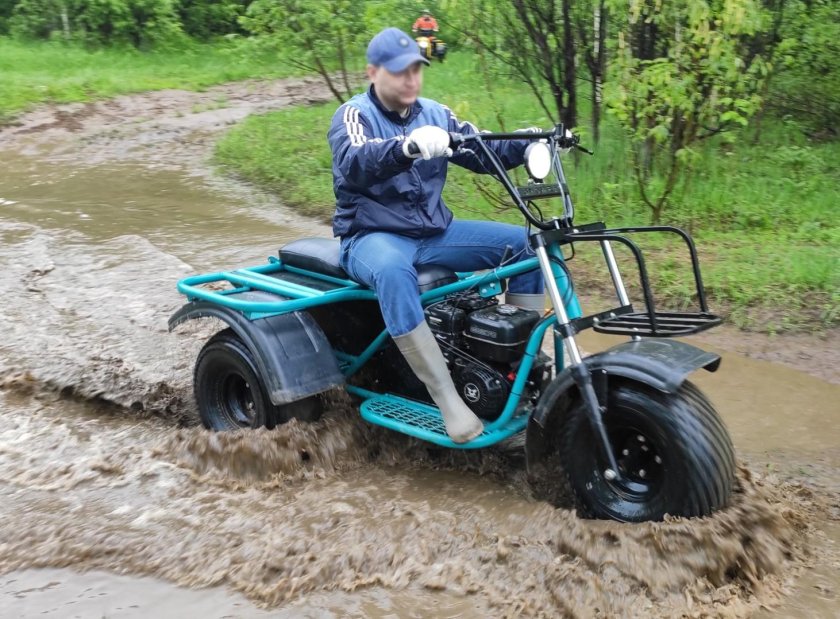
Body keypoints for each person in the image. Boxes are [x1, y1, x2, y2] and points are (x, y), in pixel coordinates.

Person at [327, 27, 544, 444]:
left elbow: (482, 151)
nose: (411, 79)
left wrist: (530, 141)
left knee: (525, 245)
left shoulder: (436, 113)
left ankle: (517, 368)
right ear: (373, 72)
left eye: (416, 70)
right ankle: (446, 397)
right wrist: (404, 148)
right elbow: (355, 161)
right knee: (393, 272)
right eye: (399, 71)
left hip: (433, 232)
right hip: (371, 236)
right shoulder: (352, 115)